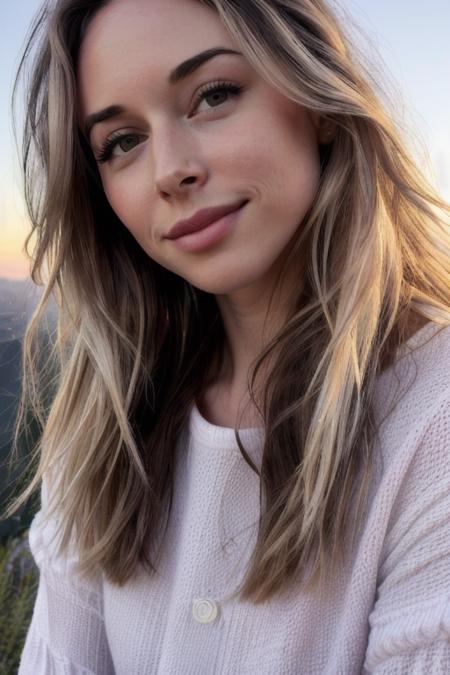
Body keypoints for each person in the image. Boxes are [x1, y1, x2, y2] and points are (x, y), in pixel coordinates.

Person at [4, 0, 450, 672]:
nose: (169, 170)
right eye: (121, 141)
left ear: (320, 100)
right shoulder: (109, 419)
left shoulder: (433, 415)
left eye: (214, 95)